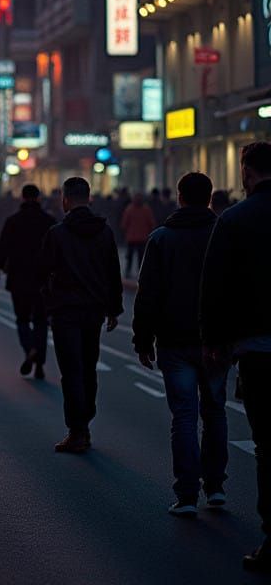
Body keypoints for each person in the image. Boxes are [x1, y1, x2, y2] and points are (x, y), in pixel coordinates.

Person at [132, 171, 226, 516]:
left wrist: (143, 339)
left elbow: (147, 295)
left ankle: (187, 494)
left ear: (179, 196)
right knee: (215, 411)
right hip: (215, 340)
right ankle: (216, 487)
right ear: (210, 196)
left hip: (173, 340)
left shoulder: (161, 239)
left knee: (183, 417)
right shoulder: (223, 233)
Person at [201, 141, 271, 573]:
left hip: (258, 350)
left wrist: (215, 341)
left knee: (267, 445)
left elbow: (216, 287)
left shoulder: (234, 220)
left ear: (246, 172)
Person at [39, 176, 123, 454]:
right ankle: (85, 420)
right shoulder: (104, 232)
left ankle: (78, 429)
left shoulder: (57, 233)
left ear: (65, 200)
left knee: (71, 370)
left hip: (65, 312)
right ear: (89, 198)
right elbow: (113, 272)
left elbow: (44, 273)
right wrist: (114, 308)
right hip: (94, 310)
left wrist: (48, 303)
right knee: (89, 366)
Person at [0, 184, 56, 379]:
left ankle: (29, 349)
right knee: (40, 321)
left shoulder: (13, 221)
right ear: (39, 198)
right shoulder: (48, 221)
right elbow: (56, 251)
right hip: (42, 280)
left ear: (22, 198)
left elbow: (3, 245)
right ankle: (40, 364)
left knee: (21, 319)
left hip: (18, 278)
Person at [121, 192, 156, 277]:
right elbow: (152, 223)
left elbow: (124, 224)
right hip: (143, 238)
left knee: (129, 257)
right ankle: (141, 274)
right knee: (141, 258)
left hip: (131, 238)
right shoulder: (146, 209)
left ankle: (127, 273)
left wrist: (125, 233)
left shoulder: (129, 209)